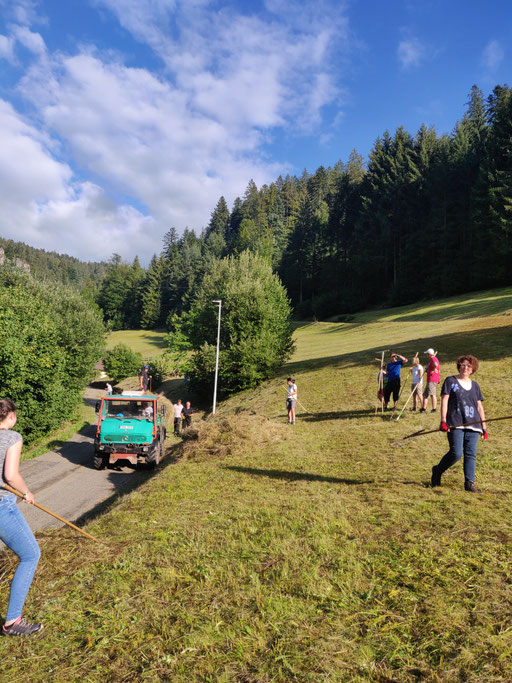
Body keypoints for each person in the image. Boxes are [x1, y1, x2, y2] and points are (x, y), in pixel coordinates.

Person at [0, 399, 42, 636]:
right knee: (30, 554)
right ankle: (13, 622)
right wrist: (26, 492)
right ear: (12, 416)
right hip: (1, 505)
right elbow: (10, 475)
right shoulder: (12, 438)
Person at [431, 355, 487, 492]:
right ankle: (438, 470)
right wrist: (443, 420)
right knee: (456, 453)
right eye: (463, 365)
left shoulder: (475, 386)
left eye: (469, 366)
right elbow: (444, 400)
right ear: (459, 366)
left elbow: (479, 407)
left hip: (473, 424)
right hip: (455, 422)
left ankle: (469, 484)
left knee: (470, 454)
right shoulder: (450, 381)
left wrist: (484, 427)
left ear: (473, 369)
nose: (465, 368)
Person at [421, 348, 440, 412]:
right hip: (430, 379)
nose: (426, 355)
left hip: (432, 379)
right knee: (425, 395)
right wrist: (427, 369)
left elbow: (435, 364)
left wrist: (434, 369)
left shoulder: (433, 359)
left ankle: (434, 409)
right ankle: (423, 408)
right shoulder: (432, 359)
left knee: (432, 394)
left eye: (427, 354)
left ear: (429, 354)